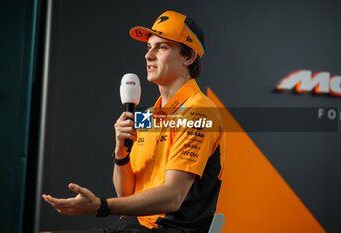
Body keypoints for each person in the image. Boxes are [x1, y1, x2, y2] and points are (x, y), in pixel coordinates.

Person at [42, 10, 224, 233]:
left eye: (162, 47)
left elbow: (173, 197)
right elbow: (126, 197)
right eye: (149, 47)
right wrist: (120, 153)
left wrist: (99, 206)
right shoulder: (148, 116)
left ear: (189, 57)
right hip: (134, 226)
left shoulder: (199, 112)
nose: (149, 56)